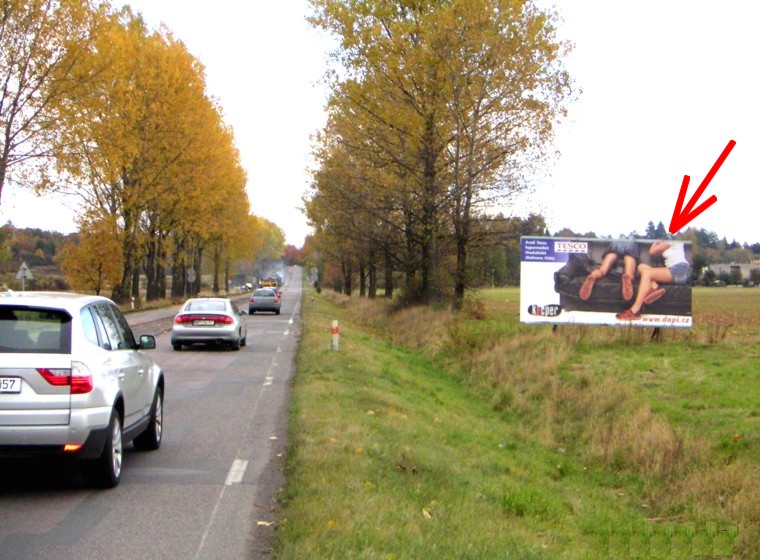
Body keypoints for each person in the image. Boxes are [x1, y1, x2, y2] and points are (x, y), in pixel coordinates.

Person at [615, 241, 691, 320]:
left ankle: (635, 311)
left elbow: (652, 251)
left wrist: (656, 240)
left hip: (681, 269)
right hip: (673, 269)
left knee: (647, 273)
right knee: (641, 267)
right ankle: (655, 287)